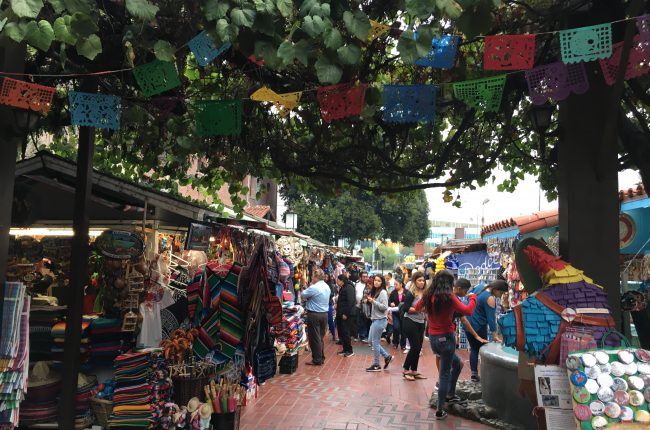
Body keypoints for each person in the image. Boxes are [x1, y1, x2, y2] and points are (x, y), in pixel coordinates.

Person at [417, 270, 477, 420]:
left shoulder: (428, 295)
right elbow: (468, 311)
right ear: (449, 283)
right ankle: (439, 409)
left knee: (457, 364)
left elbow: (417, 307)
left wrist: (430, 312)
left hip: (433, 339)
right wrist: (473, 298)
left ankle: (450, 393)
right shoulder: (449, 297)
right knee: (444, 374)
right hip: (447, 339)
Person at [463, 279, 508, 382]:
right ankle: (487, 376)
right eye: (500, 293)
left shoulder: (480, 286)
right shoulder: (490, 298)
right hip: (478, 326)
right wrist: (495, 335)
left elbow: (468, 296)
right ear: (496, 289)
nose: (500, 296)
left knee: (474, 349)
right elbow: (491, 319)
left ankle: (474, 373)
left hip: (467, 323)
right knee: (483, 350)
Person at [301, 268, 331, 366]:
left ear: (316, 277)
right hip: (324, 314)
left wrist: (307, 288)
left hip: (314, 314)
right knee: (320, 337)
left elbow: (303, 294)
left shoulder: (314, 287)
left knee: (315, 338)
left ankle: (317, 359)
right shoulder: (327, 286)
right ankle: (320, 357)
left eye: (313, 277)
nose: (312, 278)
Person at [401, 272, 427, 381]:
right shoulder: (411, 293)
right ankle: (406, 369)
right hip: (410, 321)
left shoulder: (425, 293)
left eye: (423, 280)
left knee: (418, 347)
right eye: (419, 280)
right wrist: (418, 309)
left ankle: (414, 371)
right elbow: (405, 308)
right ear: (415, 281)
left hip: (421, 322)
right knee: (415, 346)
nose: (421, 282)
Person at [365, 275, 394, 372]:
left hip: (380, 320)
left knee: (375, 342)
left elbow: (384, 307)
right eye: (375, 280)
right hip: (375, 320)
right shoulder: (376, 291)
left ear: (382, 283)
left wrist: (373, 302)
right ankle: (386, 356)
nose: (376, 282)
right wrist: (369, 301)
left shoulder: (382, 292)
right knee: (370, 341)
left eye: (379, 281)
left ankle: (376, 365)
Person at [335, 274, 356, 357]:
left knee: (346, 332)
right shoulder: (343, 287)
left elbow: (350, 302)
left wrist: (346, 313)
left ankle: (349, 350)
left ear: (341, 280)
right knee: (342, 332)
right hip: (341, 313)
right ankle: (345, 349)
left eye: (338, 280)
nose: (337, 282)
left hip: (347, 314)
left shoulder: (349, 287)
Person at [388, 274, 407, 350]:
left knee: (403, 329)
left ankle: (403, 344)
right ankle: (395, 342)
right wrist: (391, 303)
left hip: (404, 314)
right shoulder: (393, 292)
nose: (395, 286)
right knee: (396, 327)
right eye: (394, 284)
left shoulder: (407, 292)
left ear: (401, 284)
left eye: (396, 284)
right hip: (395, 313)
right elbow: (389, 301)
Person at [355, 271, 371, 342]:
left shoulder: (369, 285)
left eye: (366, 276)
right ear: (360, 277)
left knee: (366, 321)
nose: (365, 278)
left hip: (367, 307)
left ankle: (364, 335)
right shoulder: (357, 284)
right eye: (364, 277)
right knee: (359, 321)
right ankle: (361, 335)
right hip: (358, 306)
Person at [325, 273, 338, 342]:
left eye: (327, 276)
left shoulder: (330, 284)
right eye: (325, 276)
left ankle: (333, 335)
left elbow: (332, 294)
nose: (325, 277)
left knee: (330, 320)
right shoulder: (321, 284)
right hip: (322, 304)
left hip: (328, 303)